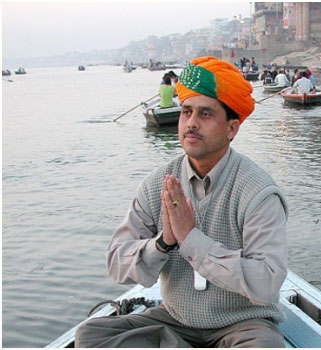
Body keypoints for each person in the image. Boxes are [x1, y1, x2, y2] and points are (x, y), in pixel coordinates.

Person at [75, 56, 289, 348]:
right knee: (91, 335)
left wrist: (190, 240)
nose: (191, 124)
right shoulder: (158, 183)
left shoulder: (258, 192)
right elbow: (116, 263)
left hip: (243, 324)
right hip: (174, 319)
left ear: (232, 128)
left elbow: (265, 284)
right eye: (186, 112)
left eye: (205, 114)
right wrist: (163, 243)